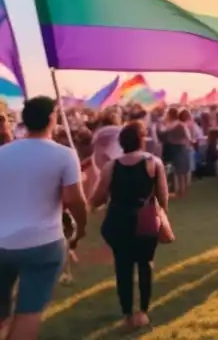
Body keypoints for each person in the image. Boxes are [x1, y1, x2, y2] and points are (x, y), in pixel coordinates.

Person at [0, 97, 88, 340]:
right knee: (28, 313)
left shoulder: (3, 153)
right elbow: (74, 200)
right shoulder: (64, 155)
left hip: (2, 242)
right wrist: (80, 229)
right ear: (52, 118)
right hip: (43, 243)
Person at [90, 121, 170, 331]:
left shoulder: (111, 166)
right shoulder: (154, 163)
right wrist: (161, 217)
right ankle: (142, 311)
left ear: (121, 143)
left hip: (118, 221)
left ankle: (127, 314)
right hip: (145, 220)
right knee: (145, 265)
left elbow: (97, 199)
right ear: (142, 140)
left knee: (123, 267)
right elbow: (163, 197)